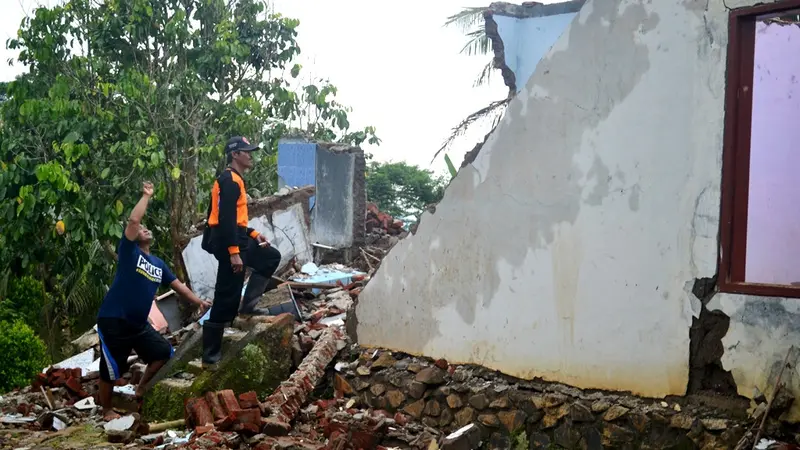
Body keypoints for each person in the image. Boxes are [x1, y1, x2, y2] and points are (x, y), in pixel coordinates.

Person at [96, 181, 211, 421]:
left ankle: (141, 389)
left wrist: (199, 302)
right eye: (142, 229)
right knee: (109, 370)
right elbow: (133, 221)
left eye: (147, 229)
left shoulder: (158, 264)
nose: (144, 230)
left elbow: (179, 287)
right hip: (114, 320)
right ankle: (106, 410)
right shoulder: (129, 253)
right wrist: (146, 196)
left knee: (163, 352)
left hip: (138, 325)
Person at [202, 136, 282, 369]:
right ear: (235, 154)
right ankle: (210, 355)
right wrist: (234, 253)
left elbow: (234, 219)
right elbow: (224, 220)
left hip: (238, 238)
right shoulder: (229, 181)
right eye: (247, 152)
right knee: (227, 293)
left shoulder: (235, 179)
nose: (251, 155)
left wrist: (254, 234)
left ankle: (249, 305)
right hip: (229, 243)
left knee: (270, 257)